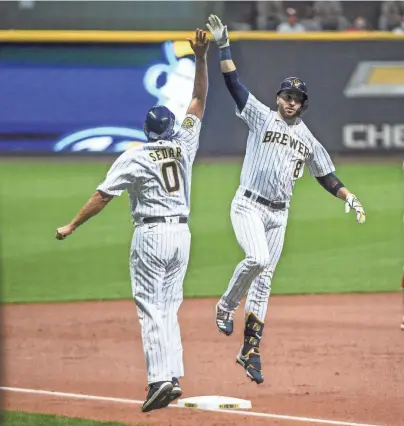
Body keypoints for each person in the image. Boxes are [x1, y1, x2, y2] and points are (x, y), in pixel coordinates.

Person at [206, 14, 366, 385]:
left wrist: (348, 194)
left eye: (296, 98)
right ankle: (225, 306)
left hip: (279, 215)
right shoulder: (262, 117)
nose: (290, 102)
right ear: (278, 97)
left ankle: (250, 351)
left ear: (302, 104)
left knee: (264, 282)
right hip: (248, 203)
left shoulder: (308, 139)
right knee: (257, 259)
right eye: (286, 95)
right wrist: (224, 47)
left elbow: (325, 174)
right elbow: (234, 84)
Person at [55, 29, 209, 412]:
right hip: (182, 235)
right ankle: (172, 376)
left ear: (146, 131)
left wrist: (72, 225)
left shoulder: (136, 156)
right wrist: (201, 58)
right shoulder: (183, 145)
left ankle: (159, 381)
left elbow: (102, 196)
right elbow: (198, 101)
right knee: (169, 306)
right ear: (169, 130)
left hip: (153, 234)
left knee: (150, 307)